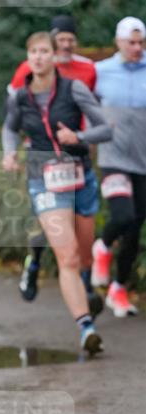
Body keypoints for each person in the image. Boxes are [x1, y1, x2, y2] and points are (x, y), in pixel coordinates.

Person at [2, 31, 112, 356]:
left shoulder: (74, 88)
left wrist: (79, 136)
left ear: (53, 56)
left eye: (44, 51)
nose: (38, 57)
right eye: (33, 51)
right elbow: (9, 127)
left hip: (80, 179)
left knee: (84, 255)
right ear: (28, 57)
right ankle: (86, 328)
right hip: (44, 180)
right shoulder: (19, 97)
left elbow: (105, 129)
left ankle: (86, 289)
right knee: (68, 257)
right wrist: (9, 153)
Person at [8, 14, 100, 309]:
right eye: (60, 40)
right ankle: (33, 264)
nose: (65, 45)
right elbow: (14, 111)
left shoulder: (87, 70)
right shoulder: (29, 68)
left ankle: (83, 280)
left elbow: (95, 106)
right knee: (47, 225)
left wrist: (84, 137)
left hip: (75, 155)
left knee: (77, 232)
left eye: (70, 40)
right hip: (41, 159)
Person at [91, 16, 146, 317]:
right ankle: (102, 245)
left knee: (135, 228)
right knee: (122, 215)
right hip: (113, 158)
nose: (137, 48)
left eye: (141, 43)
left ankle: (119, 289)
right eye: (131, 42)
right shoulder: (100, 72)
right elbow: (81, 102)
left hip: (143, 160)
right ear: (118, 42)